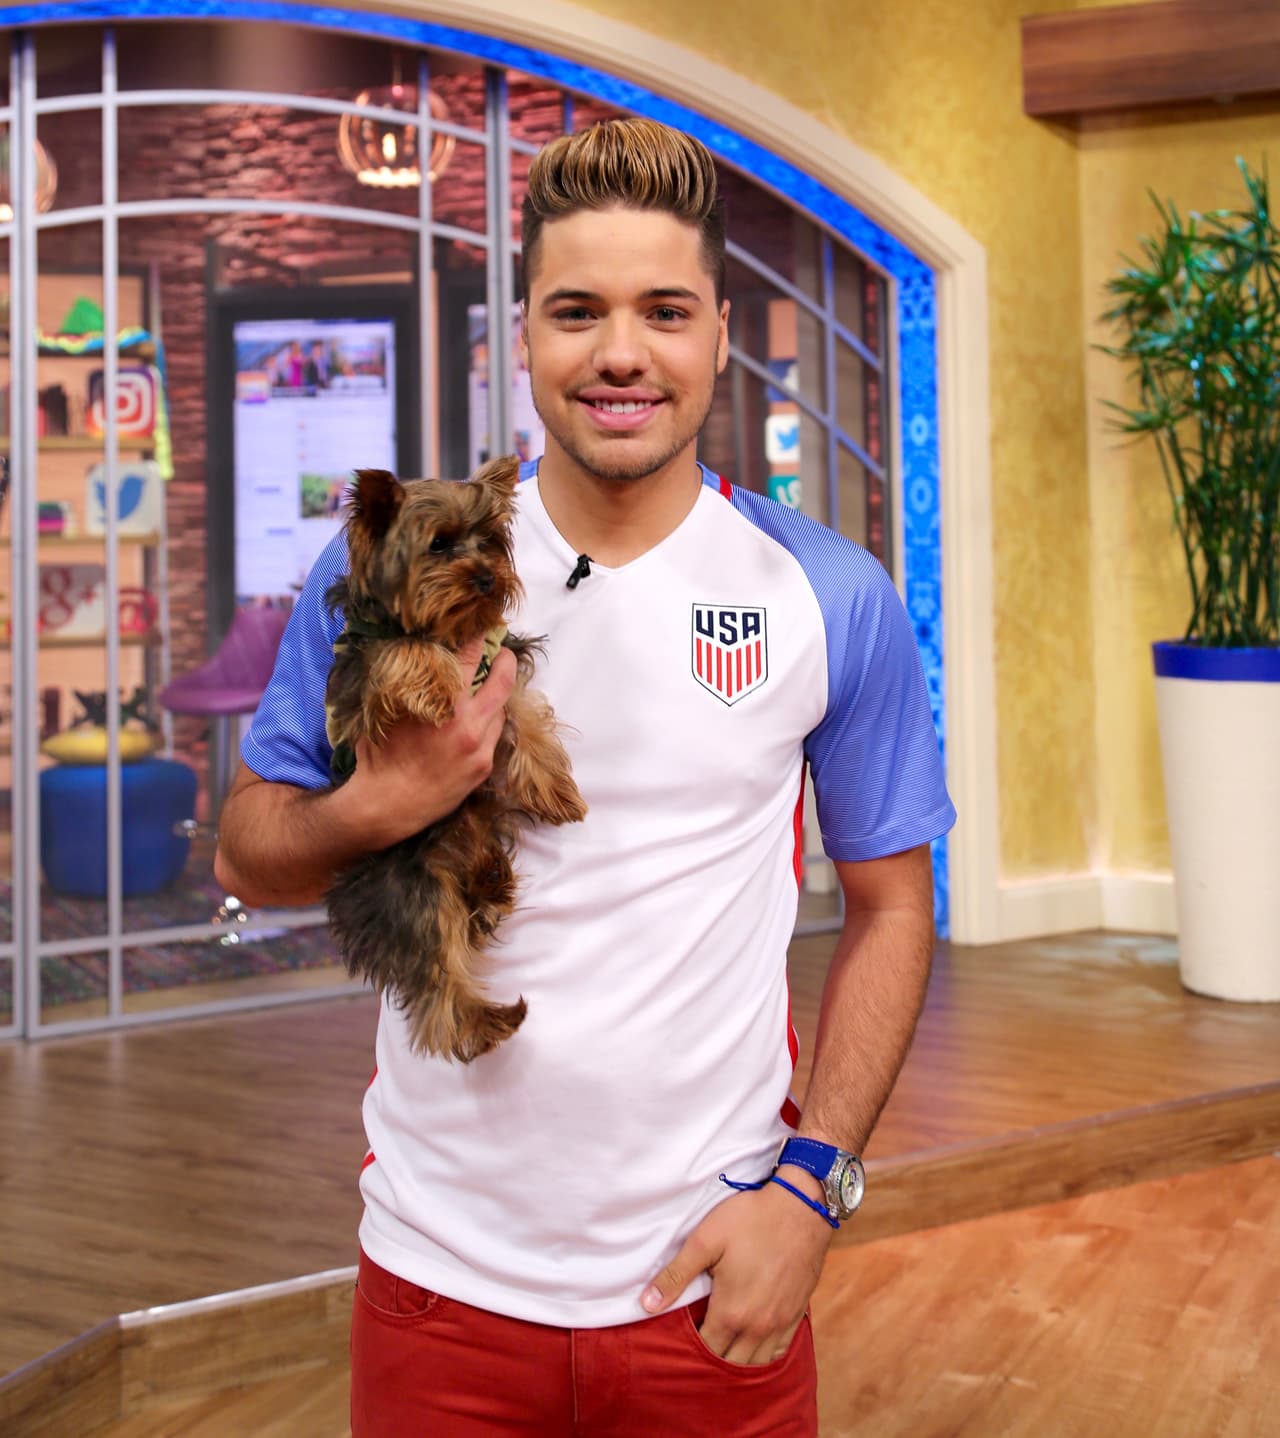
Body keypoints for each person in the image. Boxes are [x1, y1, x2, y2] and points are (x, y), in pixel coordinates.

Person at [214, 117, 955, 1438]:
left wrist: (812, 1191)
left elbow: (895, 907)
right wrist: (381, 804)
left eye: (664, 310)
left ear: (718, 334)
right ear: (523, 337)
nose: (621, 351)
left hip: (714, 1290)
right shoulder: (393, 568)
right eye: (577, 311)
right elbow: (247, 853)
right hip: (439, 1287)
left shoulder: (828, 595)